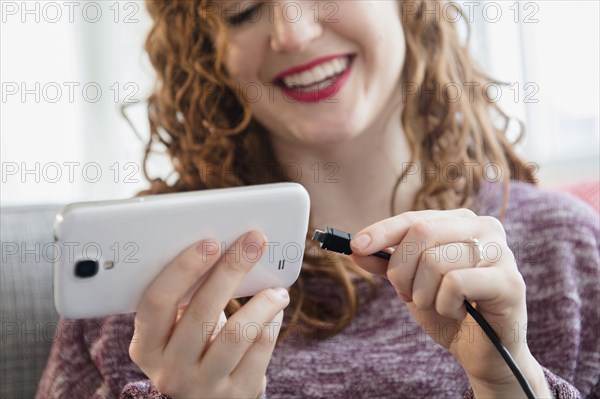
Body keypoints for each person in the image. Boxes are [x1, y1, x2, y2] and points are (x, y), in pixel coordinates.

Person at [37, 1, 599, 398]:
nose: (294, 32)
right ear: (204, 51)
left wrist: (513, 383)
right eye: (242, 8)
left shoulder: (565, 247)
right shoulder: (131, 295)